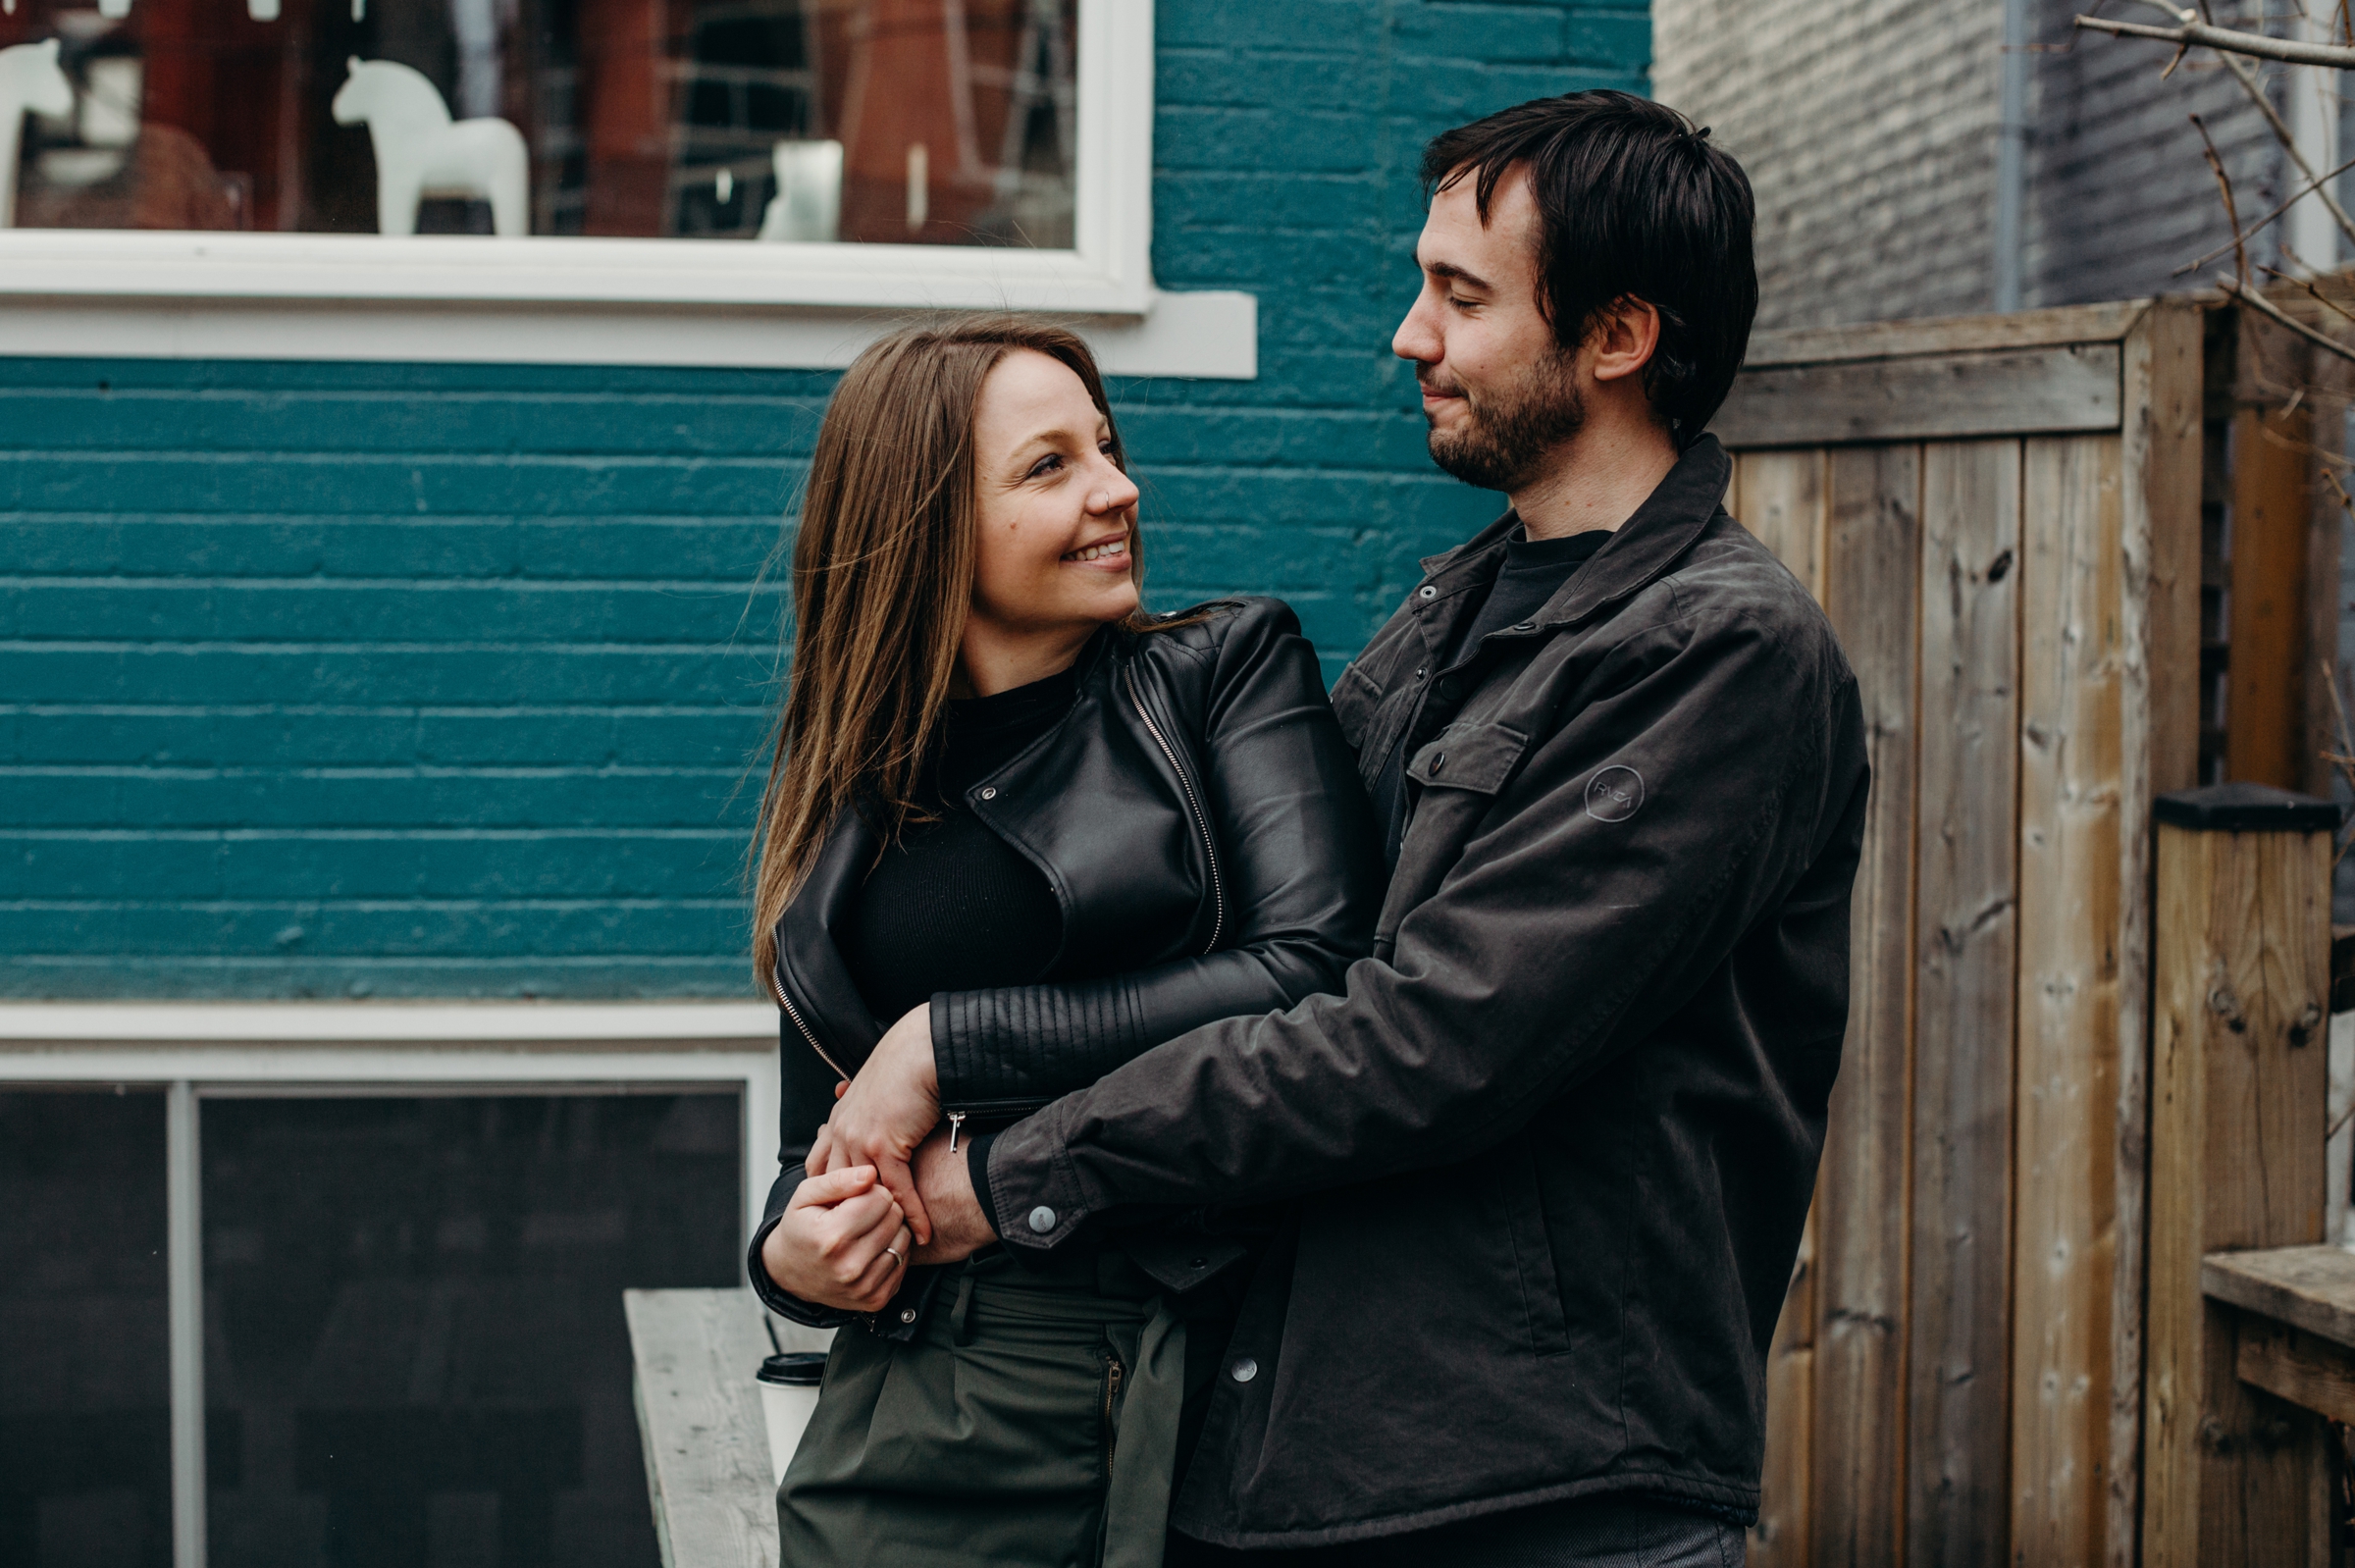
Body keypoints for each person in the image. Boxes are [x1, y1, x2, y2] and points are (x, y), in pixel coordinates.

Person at [830, 91, 1872, 1565]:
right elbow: (1255, 961)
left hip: (1536, 1491)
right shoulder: (1455, 610)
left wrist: (1011, 1174)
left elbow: (1429, 1041)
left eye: (1461, 295)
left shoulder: (1717, 655)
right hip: (1300, 1456)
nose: (1410, 334)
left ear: (1620, 336)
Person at [743, 318, 1385, 1568]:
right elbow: (807, 1156)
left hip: (1210, 1366)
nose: (1118, 487)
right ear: (928, 521)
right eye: (1050, 466)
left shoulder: (1223, 671)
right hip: (923, 1409)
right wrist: (795, 1256)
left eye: (1107, 445)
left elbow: (1318, 969)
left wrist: (947, 1041)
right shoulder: (848, 799)